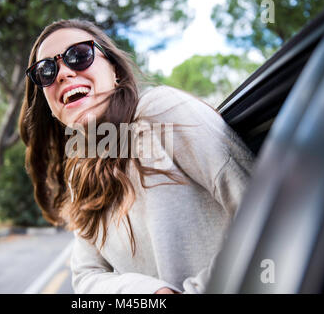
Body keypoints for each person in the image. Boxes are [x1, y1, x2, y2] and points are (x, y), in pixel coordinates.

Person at [19, 19, 254, 294]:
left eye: (79, 55)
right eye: (46, 71)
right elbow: (86, 275)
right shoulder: (78, 174)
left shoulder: (161, 112)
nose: (63, 74)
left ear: (114, 70)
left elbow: (260, 207)